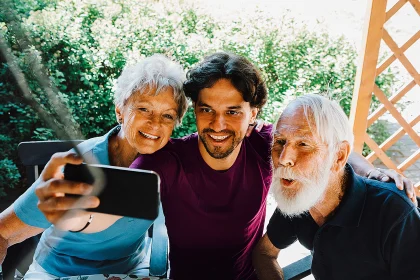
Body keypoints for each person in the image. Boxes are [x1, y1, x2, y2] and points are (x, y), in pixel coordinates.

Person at [130, 52, 416, 280]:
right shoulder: (166, 163)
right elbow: (106, 203)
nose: (218, 124)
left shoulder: (268, 147)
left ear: (252, 114)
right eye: (207, 110)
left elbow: (322, 140)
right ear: (195, 110)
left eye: (232, 112)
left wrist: (371, 171)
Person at [0, 54, 188, 279]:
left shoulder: (172, 167)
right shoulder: (80, 164)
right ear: (120, 110)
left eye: (167, 115)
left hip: (130, 269)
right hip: (59, 272)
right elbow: (4, 232)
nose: (155, 123)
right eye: (144, 109)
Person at [253, 94, 420, 280]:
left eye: (303, 144)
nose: (284, 158)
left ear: (339, 157)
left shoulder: (394, 212)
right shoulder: (300, 196)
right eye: (280, 142)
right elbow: (265, 253)